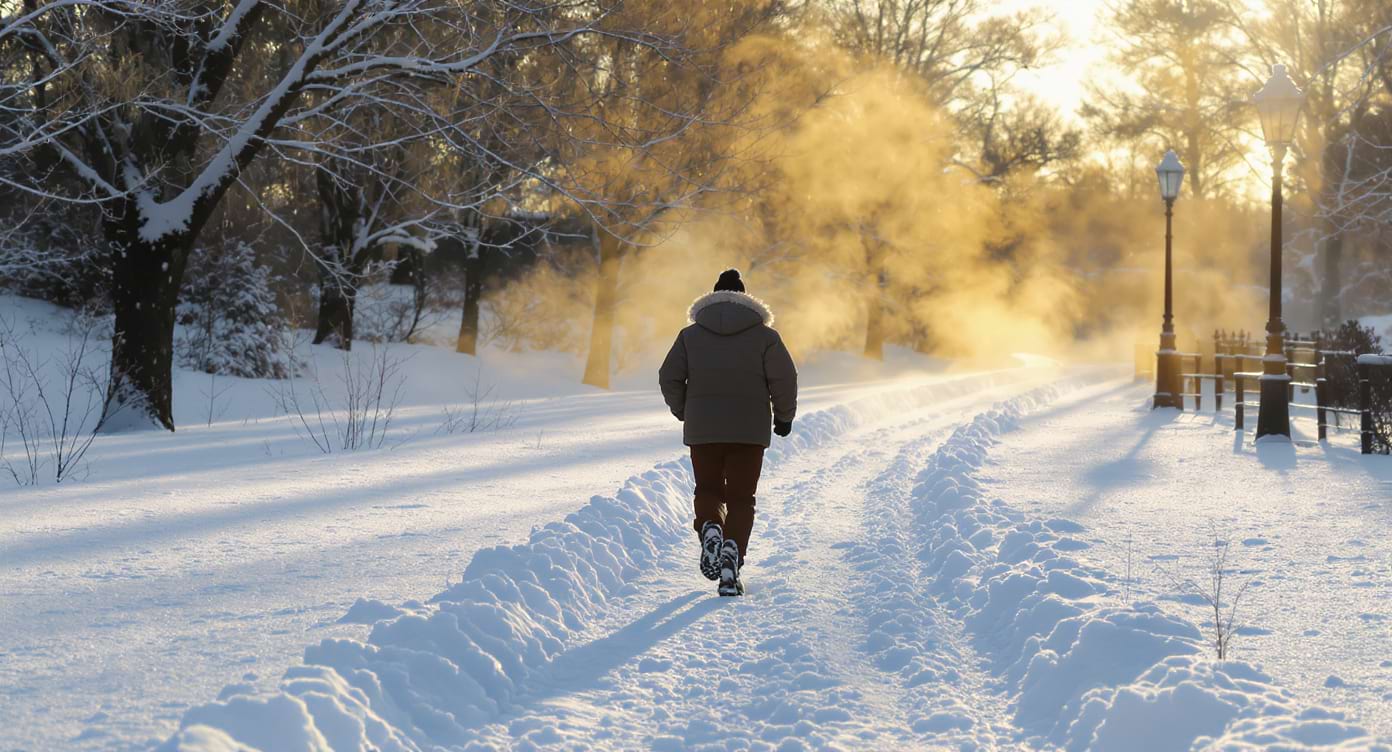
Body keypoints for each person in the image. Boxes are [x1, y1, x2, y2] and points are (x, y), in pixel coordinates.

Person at [658, 269, 798, 596]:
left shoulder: (689, 336)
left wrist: (685, 410)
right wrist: (784, 417)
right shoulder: (766, 337)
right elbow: (784, 378)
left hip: (703, 428)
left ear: (712, 297)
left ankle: (710, 526)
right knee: (740, 499)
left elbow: (669, 376)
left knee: (708, 489)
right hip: (748, 431)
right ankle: (732, 556)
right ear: (747, 299)